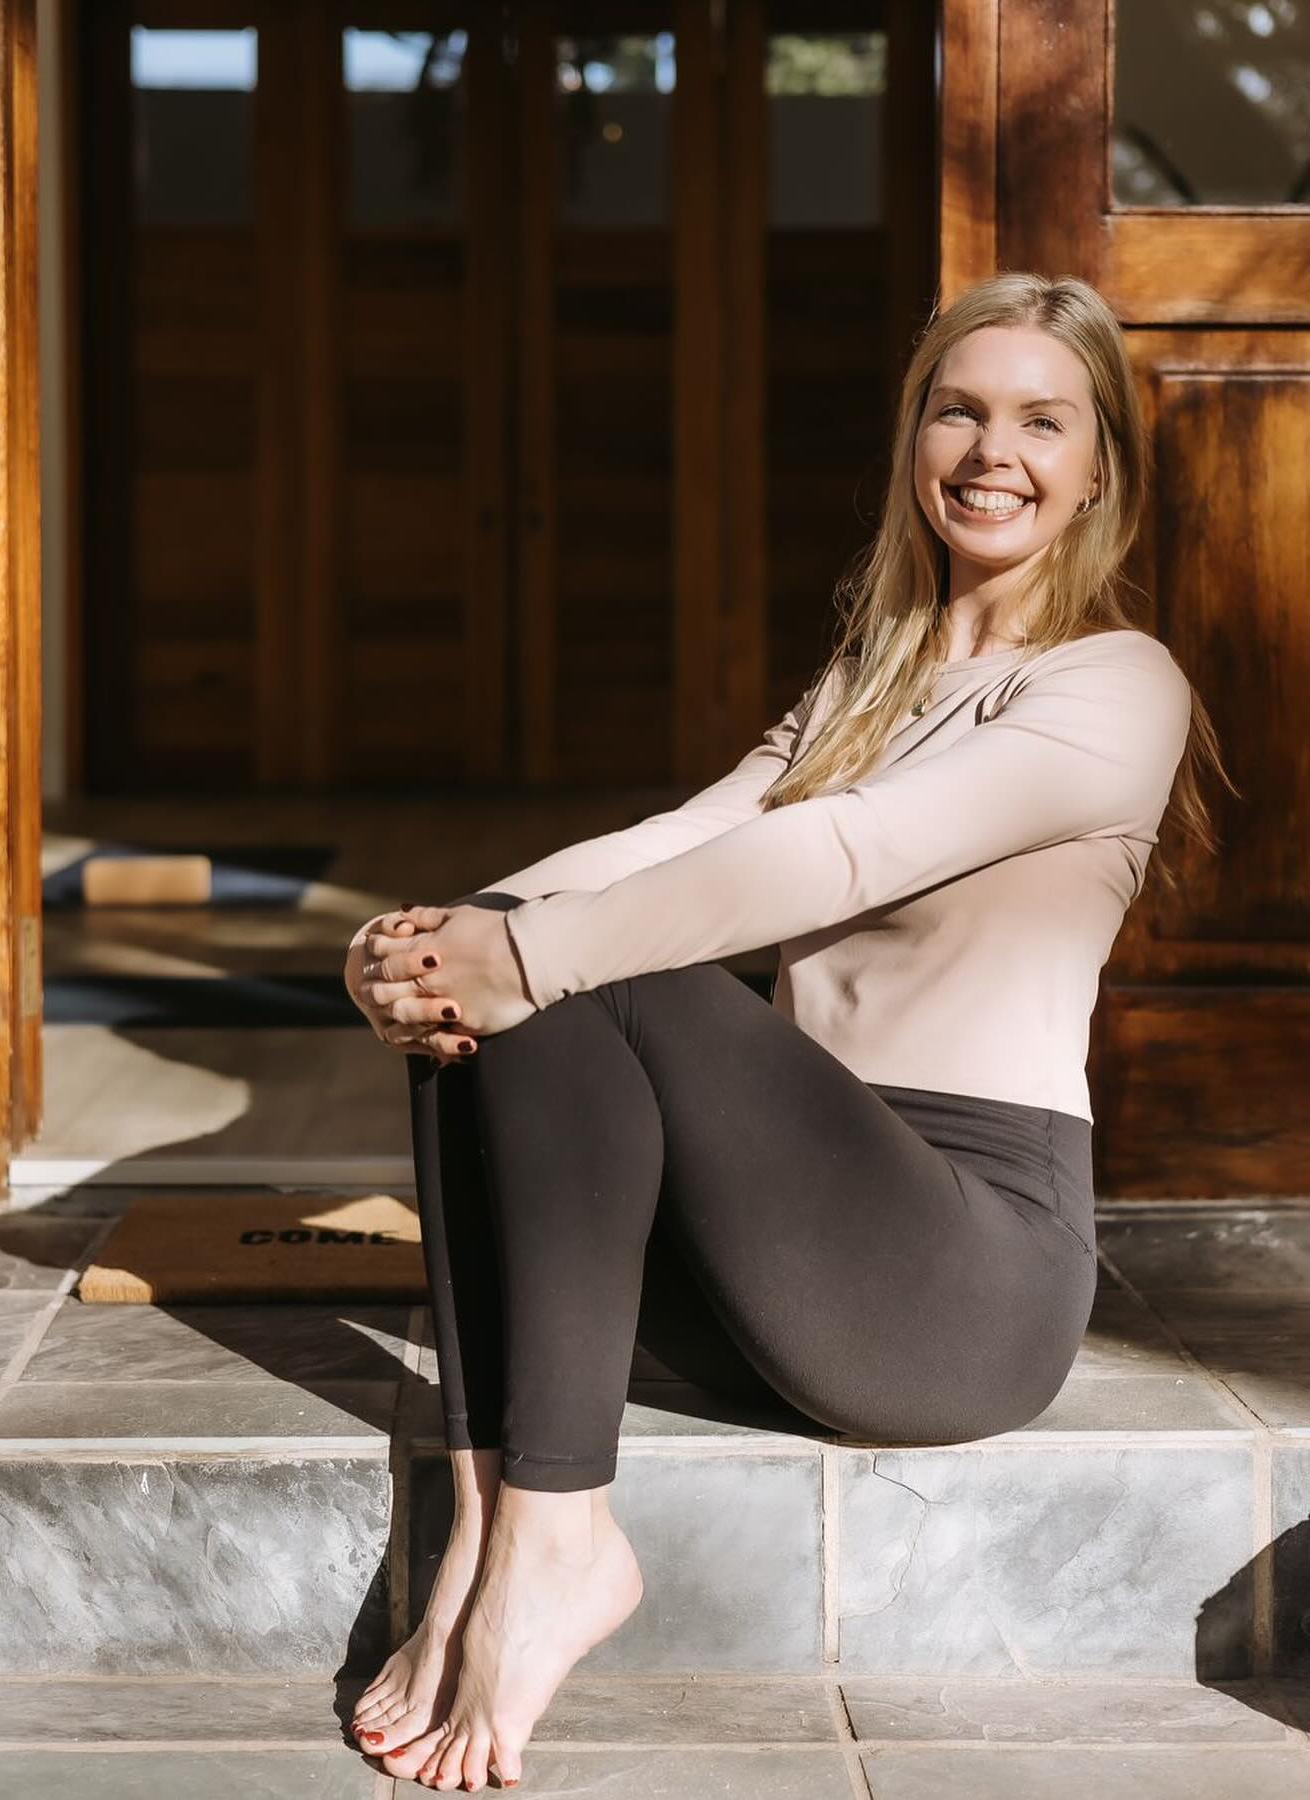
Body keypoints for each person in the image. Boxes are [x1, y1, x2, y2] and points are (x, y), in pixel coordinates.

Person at [339, 271, 1232, 1792]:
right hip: (788, 1261)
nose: (989, 449)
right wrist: (431, 938)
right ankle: (492, 1535)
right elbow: (674, 841)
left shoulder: (1113, 685)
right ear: (912, 438)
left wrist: (525, 952)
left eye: (1041, 419)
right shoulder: (871, 686)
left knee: (579, 974)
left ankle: (565, 1534)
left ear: (1101, 470)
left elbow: (823, 860)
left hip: (959, 1277)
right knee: (507, 981)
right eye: (956, 408)